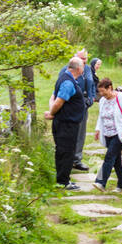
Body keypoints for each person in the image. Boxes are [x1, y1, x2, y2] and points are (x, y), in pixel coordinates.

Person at [44, 58, 86, 191]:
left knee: (63, 151)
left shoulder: (64, 77)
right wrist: (52, 113)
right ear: (79, 69)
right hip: (66, 124)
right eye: (83, 65)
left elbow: (53, 97)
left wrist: (52, 113)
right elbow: (57, 102)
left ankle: (63, 179)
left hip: (65, 122)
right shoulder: (68, 82)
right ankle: (63, 182)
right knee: (66, 152)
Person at [93, 77, 122, 192]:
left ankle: (100, 182)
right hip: (107, 134)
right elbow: (100, 116)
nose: (101, 94)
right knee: (116, 161)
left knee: (109, 157)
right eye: (99, 92)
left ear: (110, 88)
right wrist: (97, 129)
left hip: (119, 133)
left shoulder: (121, 98)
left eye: (103, 91)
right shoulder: (102, 101)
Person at [72, 51, 98, 172]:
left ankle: (77, 160)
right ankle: (68, 159)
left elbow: (92, 84)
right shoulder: (68, 69)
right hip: (73, 105)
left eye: (85, 58)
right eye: (81, 58)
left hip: (85, 105)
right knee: (71, 132)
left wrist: (92, 98)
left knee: (81, 133)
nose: (84, 60)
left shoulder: (87, 69)